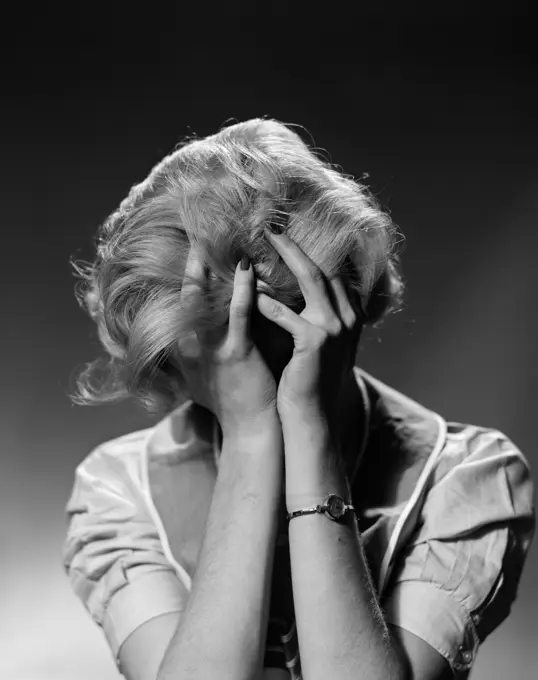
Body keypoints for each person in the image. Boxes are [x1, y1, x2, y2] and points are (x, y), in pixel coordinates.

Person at [62, 118, 535, 680]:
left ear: (341, 317)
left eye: (265, 343)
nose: (242, 368)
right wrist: (251, 435)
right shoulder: (117, 486)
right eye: (208, 353)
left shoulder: (467, 477)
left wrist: (309, 430)